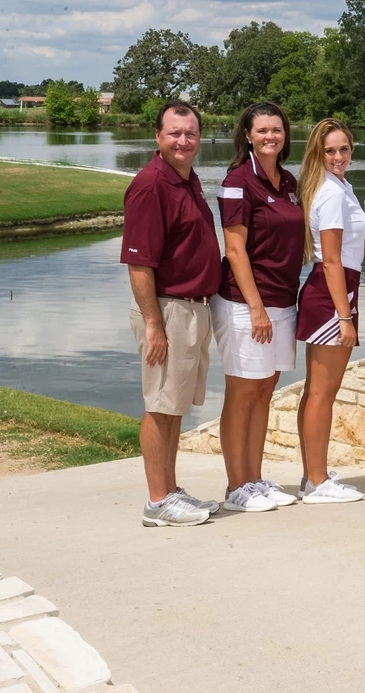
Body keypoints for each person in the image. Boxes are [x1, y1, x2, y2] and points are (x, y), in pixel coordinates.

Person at [122, 101, 222, 526]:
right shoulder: (151, 185)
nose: (184, 141)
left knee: (174, 405)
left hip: (192, 309)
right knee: (160, 404)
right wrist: (153, 323)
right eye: (175, 133)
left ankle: (170, 491)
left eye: (191, 133)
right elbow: (139, 263)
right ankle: (157, 501)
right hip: (167, 310)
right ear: (158, 137)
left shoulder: (186, 179)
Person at [212, 102, 303, 513]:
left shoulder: (288, 182)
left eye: (277, 130)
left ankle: (255, 477)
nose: (271, 136)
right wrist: (256, 308)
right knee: (243, 392)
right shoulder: (237, 181)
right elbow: (234, 248)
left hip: (283, 299)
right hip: (245, 303)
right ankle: (236, 487)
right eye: (262, 130)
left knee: (265, 390)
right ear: (247, 135)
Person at [293, 118, 365, 504]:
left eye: (344, 149)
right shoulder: (331, 194)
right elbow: (333, 260)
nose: (338, 156)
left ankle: (313, 475)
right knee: (322, 392)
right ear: (318, 154)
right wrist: (345, 316)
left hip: (335, 290)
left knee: (317, 392)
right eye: (330, 150)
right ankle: (317, 481)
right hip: (332, 293)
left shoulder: (338, 186)